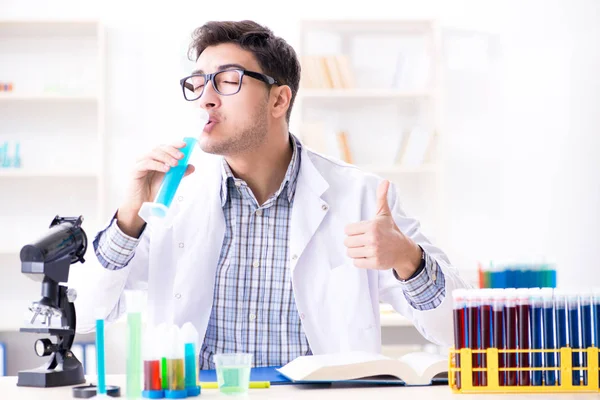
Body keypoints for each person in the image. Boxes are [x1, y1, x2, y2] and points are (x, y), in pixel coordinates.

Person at [87, 20, 470, 369]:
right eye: (198, 82)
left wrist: (407, 258)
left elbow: (458, 330)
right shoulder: (169, 200)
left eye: (227, 80)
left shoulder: (361, 196)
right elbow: (89, 313)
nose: (205, 98)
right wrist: (127, 219)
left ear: (278, 100)